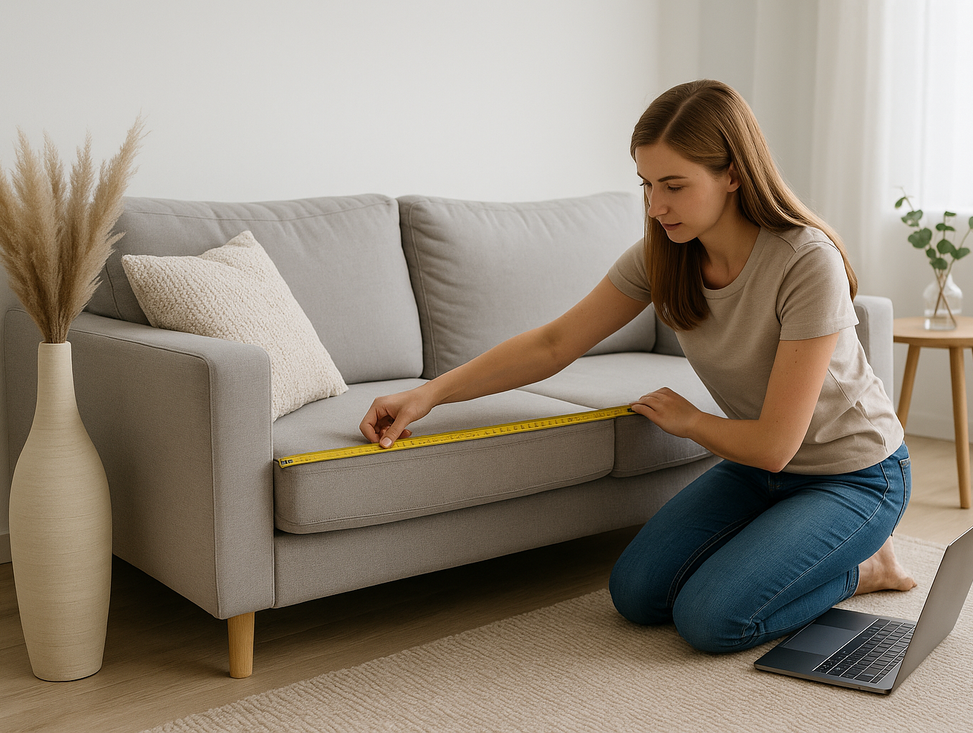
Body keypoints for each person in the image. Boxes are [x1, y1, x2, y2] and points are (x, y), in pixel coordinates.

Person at [360, 79, 916, 654]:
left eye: (674, 186)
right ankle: (795, 549)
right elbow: (554, 344)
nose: (655, 206)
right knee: (636, 594)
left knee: (712, 621)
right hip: (758, 472)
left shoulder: (804, 261)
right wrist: (429, 394)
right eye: (647, 185)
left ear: (733, 174)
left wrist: (692, 422)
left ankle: (864, 568)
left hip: (853, 475)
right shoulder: (663, 255)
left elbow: (776, 444)